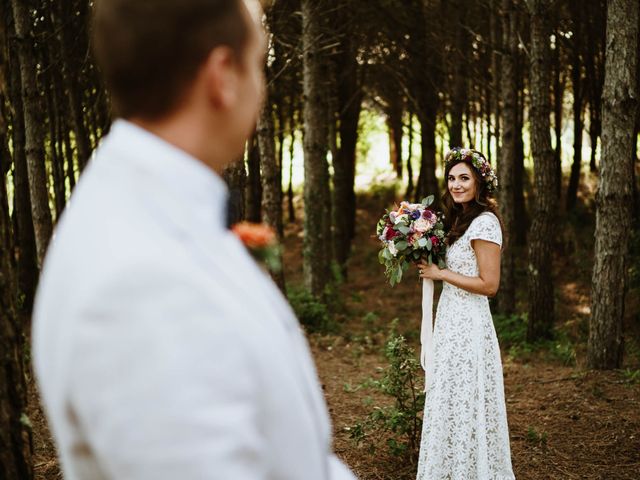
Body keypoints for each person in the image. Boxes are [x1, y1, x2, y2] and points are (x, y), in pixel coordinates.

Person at [31, 1, 356, 479]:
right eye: (258, 63)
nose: (261, 89)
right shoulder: (139, 281)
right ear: (222, 75)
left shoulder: (155, 214)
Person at [415, 148, 515, 479]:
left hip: (469, 324)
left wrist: (440, 274)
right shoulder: (460, 219)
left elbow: (489, 284)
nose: (456, 185)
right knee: (450, 400)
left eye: (464, 178)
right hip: (449, 320)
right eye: (452, 178)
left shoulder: (485, 223)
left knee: (466, 400)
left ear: (480, 183)